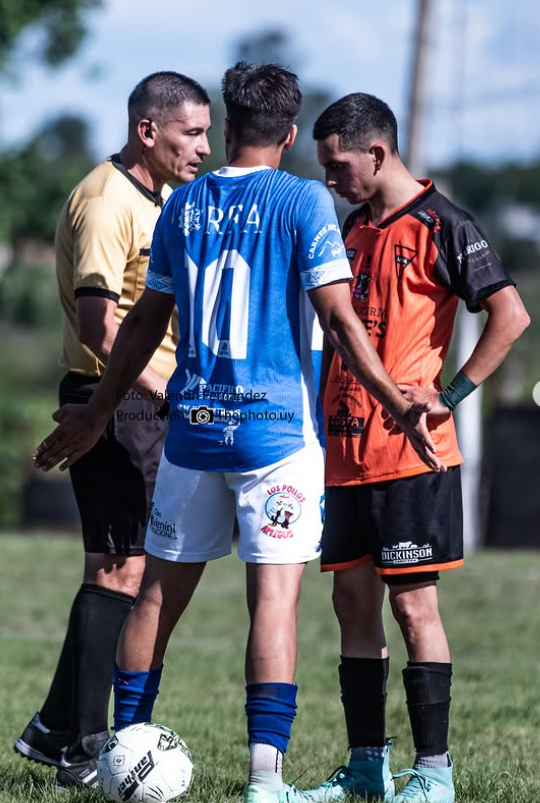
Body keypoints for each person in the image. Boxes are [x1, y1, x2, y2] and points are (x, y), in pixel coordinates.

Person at [33, 65, 444, 802]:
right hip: (275, 437)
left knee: (156, 595)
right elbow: (342, 323)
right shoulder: (303, 200)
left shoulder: (181, 204)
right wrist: (395, 399)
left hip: (192, 431)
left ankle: (126, 748)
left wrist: (97, 410)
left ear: (227, 128)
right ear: (289, 135)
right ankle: (264, 780)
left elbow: (140, 328)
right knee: (274, 601)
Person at [292, 93, 530, 803]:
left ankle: (434, 773)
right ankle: (367, 766)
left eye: (338, 165)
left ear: (377, 152)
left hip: (411, 457)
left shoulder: (443, 222)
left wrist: (450, 396)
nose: (331, 178)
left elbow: (511, 314)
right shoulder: (352, 227)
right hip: (346, 452)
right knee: (351, 601)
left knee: (413, 608)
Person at [14, 71, 211, 790]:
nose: (204, 146)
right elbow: (100, 324)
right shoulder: (106, 201)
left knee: (125, 568)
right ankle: (80, 744)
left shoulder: (156, 198)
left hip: (138, 400)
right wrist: (168, 391)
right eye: (192, 132)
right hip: (119, 398)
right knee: (118, 567)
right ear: (147, 131)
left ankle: (54, 728)